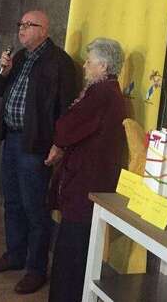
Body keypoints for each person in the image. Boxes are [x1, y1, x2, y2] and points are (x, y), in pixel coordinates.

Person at [0, 10, 76, 295]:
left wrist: (59, 144)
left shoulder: (59, 62)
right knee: (12, 201)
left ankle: (36, 269)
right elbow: (0, 90)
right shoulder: (20, 57)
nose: (21, 29)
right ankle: (15, 255)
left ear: (44, 30)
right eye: (20, 24)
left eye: (28, 25)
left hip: (35, 144)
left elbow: (66, 108)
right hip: (11, 138)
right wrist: (4, 71)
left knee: (34, 207)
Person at [45, 37, 127, 302]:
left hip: (86, 183)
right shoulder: (108, 91)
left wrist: (58, 142)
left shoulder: (101, 93)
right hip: (90, 179)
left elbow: (70, 126)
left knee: (72, 252)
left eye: (89, 61)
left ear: (103, 66)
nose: (84, 66)